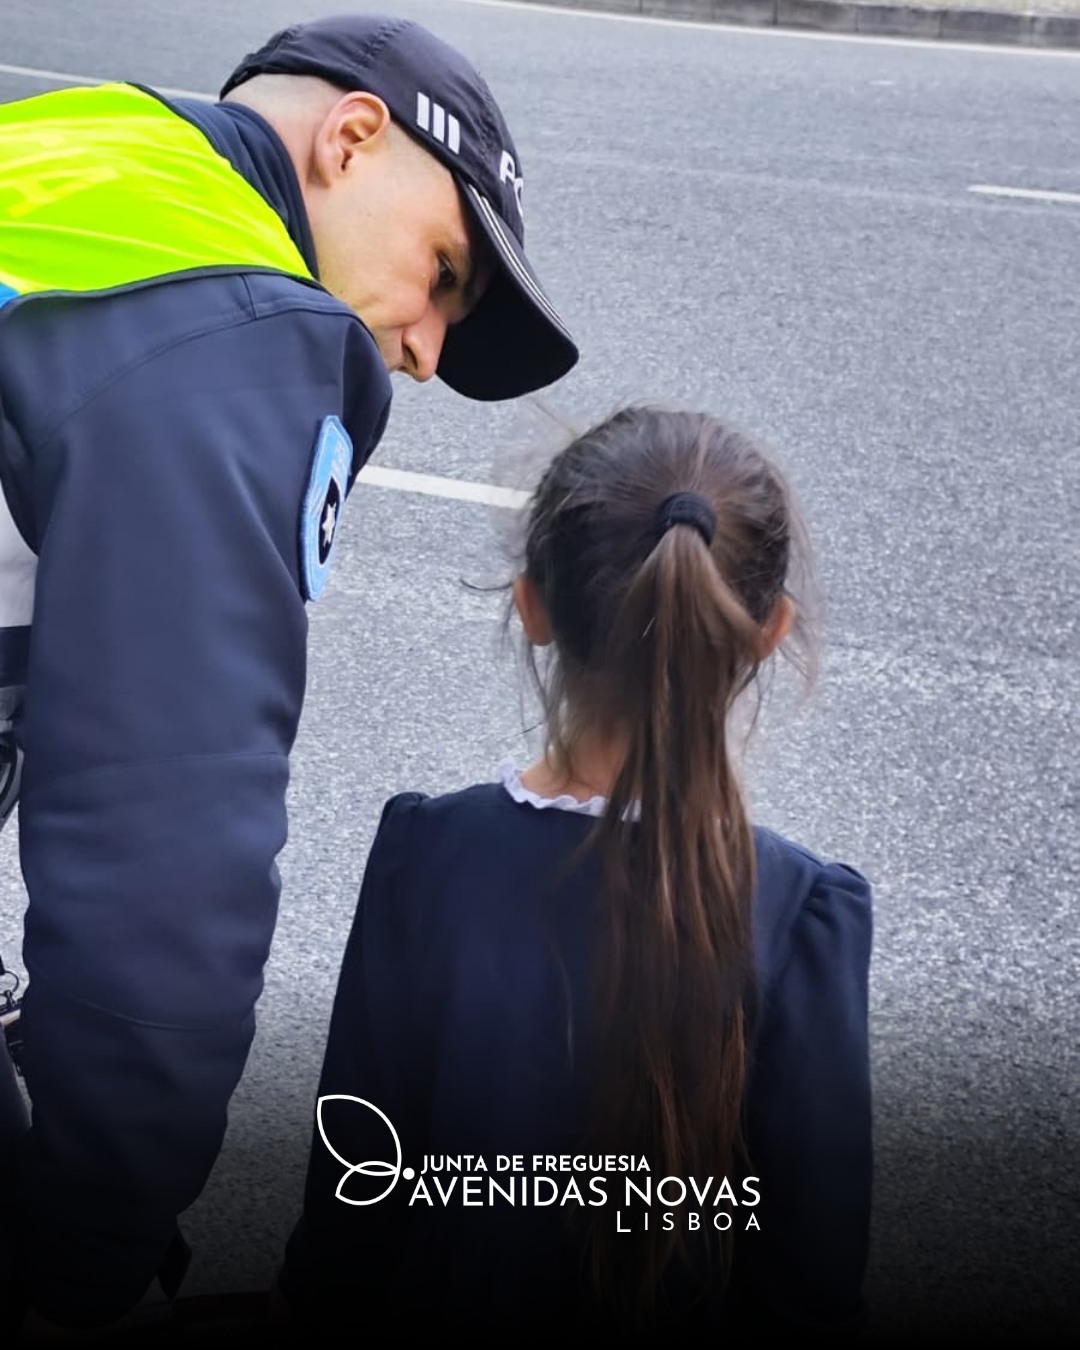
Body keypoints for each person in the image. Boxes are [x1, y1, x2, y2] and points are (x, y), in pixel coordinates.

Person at [0, 11, 577, 1337]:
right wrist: (86, 1248)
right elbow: (168, 855)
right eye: (443, 272)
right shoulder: (236, 317)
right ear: (353, 138)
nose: (425, 350)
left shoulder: (61, 150)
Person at [274, 406, 874, 1338]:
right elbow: (810, 1278)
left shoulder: (428, 858)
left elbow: (354, 1203)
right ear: (769, 631)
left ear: (532, 606)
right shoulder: (800, 918)